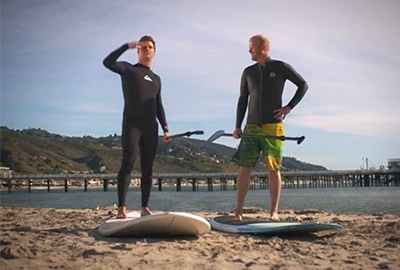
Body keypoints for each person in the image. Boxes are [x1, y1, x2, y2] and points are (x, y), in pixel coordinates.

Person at [232, 34, 308, 221]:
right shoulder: (248, 72)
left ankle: (274, 212)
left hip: (273, 127)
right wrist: (237, 126)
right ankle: (239, 211)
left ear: (263, 48)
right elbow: (243, 100)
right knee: (244, 168)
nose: (249, 50)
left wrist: (289, 107)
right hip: (251, 127)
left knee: (273, 168)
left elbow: (303, 85)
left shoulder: (280, 67)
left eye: (252, 47)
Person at [103, 36, 171, 218]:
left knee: (148, 167)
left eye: (150, 47)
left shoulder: (156, 79)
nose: (147, 49)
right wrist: (125, 46)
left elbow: (158, 104)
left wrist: (165, 128)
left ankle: (145, 207)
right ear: (138, 51)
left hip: (151, 127)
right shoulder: (129, 69)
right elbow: (107, 62)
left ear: (154, 52)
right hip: (132, 125)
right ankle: (122, 208)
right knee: (128, 162)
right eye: (143, 47)